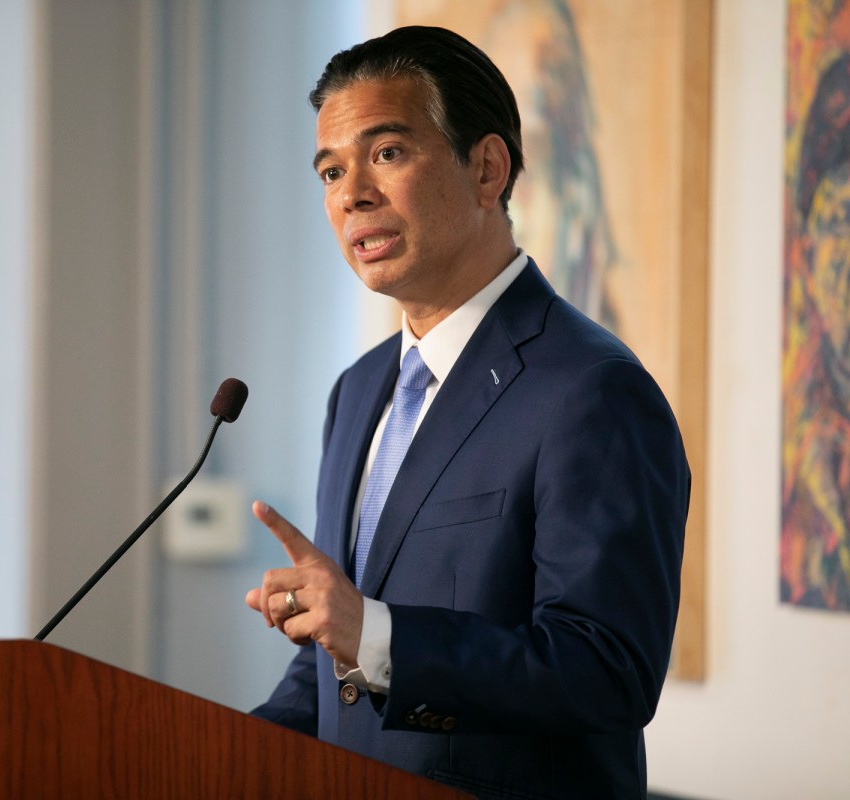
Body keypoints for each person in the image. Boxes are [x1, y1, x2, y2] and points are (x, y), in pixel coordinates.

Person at [245, 26, 689, 799]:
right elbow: (340, 660)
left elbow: (607, 674)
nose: (351, 194)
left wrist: (375, 635)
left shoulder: (593, 391)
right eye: (329, 170)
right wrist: (208, 754)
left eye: (386, 153)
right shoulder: (358, 390)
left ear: (487, 168)